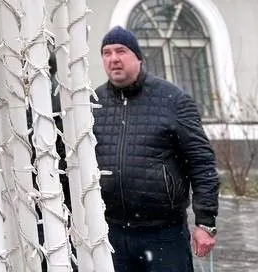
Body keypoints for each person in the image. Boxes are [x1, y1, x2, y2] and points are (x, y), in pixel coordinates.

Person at [92, 26, 219, 272]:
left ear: (138, 57)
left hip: (163, 234)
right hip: (111, 233)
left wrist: (205, 223)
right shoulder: (92, 104)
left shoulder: (173, 100)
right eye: (106, 53)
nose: (114, 59)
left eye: (121, 51)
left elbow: (201, 162)